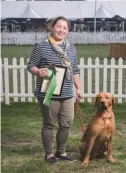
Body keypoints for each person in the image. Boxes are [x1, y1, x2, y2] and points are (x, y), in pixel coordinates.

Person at [27, 16, 83, 164]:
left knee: (66, 123)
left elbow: (75, 69)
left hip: (67, 93)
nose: (61, 30)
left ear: (68, 31)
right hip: (48, 92)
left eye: (65, 28)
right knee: (49, 124)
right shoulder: (41, 46)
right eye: (59, 26)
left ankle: (61, 152)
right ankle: (49, 154)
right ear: (52, 27)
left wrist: (78, 88)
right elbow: (30, 66)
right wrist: (38, 71)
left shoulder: (71, 47)